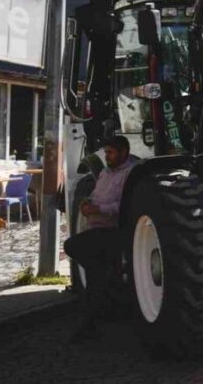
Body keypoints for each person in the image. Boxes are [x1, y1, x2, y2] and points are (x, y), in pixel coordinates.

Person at [63, 135, 136, 338]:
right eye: (106, 153)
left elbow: (122, 208)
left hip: (112, 232)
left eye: (111, 153)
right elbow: (95, 195)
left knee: (75, 248)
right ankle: (102, 283)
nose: (107, 156)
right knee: (90, 266)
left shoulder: (129, 174)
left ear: (124, 153)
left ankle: (91, 318)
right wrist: (86, 203)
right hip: (97, 230)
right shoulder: (104, 172)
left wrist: (98, 209)